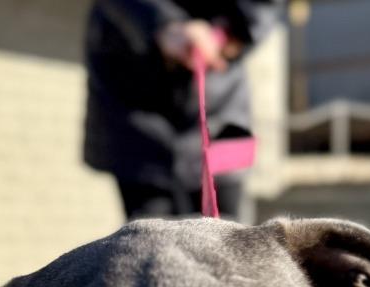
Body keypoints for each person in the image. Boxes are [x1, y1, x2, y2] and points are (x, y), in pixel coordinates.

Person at [84, 1, 282, 221]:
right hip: (131, 100)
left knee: (227, 230)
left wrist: (229, 31)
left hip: (223, 105)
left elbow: (263, 8)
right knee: (150, 234)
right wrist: (163, 23)